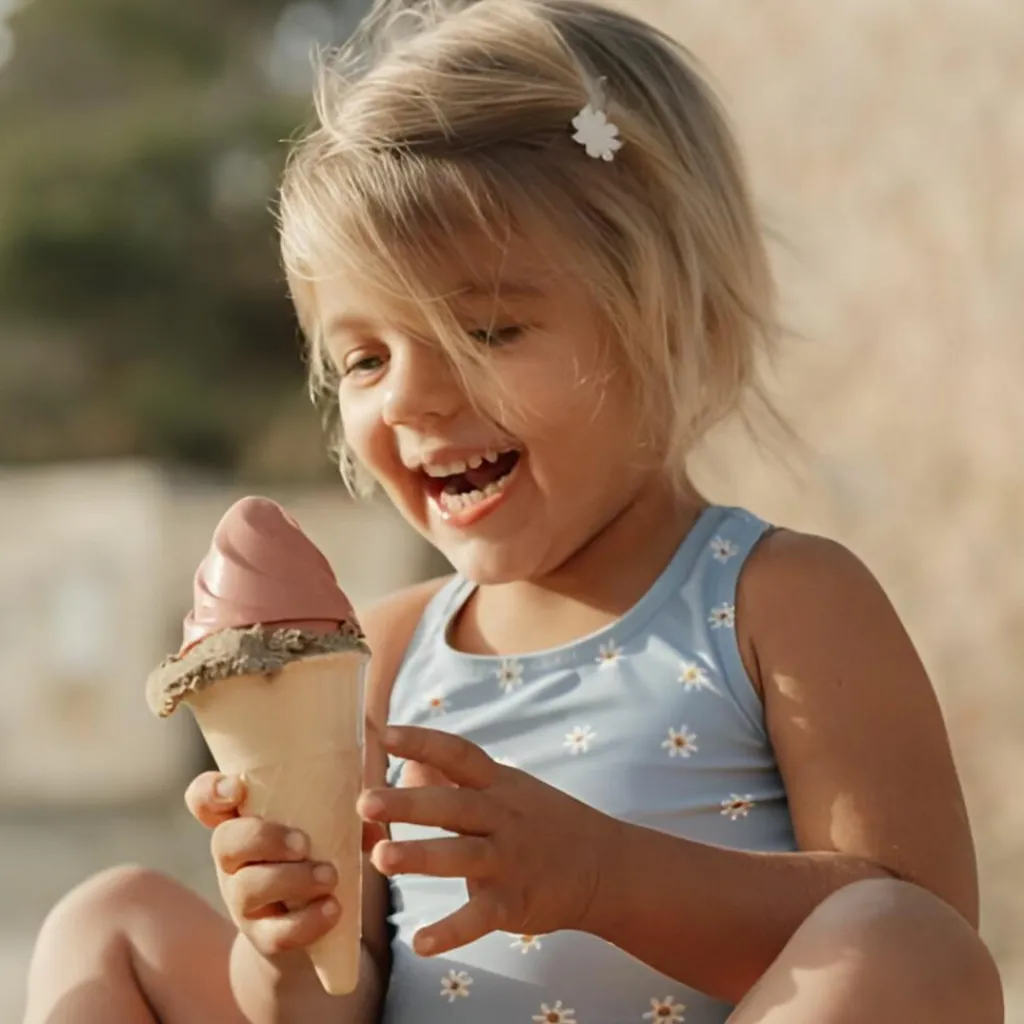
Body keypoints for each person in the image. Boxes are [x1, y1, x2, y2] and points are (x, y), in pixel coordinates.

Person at [23, 1, 1003, 1022]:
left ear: (665, 316)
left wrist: (605, 877)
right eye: (366, 357)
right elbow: (328, 1010)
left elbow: (929, 946)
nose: (409, 397)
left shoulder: (778, 600)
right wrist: (287, 940)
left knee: (900, 934)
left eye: (486, 330)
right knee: (107, 921)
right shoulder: (383, 656)